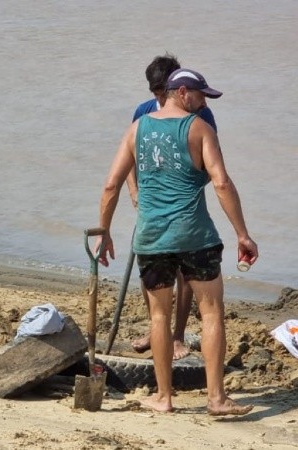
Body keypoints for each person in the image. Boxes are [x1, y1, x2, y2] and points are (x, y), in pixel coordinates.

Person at [95, 68, 257, 415]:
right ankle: (216, 399)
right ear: (182, 92)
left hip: (152, 237)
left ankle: (163, 398)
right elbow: (221, 183)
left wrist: (104, 231)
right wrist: (242, 234)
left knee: (158, 316)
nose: (204, 103)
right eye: (201, 96)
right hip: (195, 235)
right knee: (212, 313)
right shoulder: (200, 129)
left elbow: (111, 185)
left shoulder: (136, 129)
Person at [127, 54, 219, 360]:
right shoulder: (143, 112)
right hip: (151, 204)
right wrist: (135, 191)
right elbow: (129, 156)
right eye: (154, 93)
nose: (158, 99)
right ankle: (158, 331)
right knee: (152, 270)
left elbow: (211, 165)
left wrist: (184, 191)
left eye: (161, 92)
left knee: (184, 271)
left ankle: (177, 335)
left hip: (184, 206)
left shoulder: (201, 114)